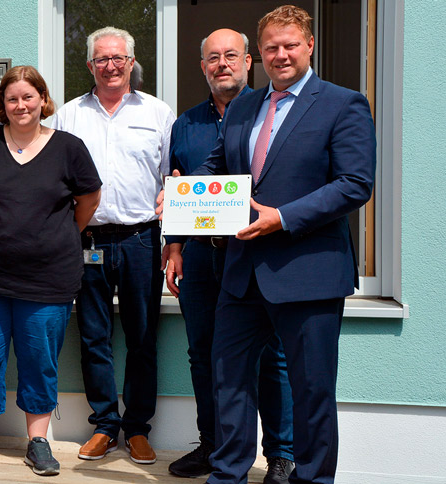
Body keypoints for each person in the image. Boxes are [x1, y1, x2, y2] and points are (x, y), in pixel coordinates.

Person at [173, 6, 375, 483]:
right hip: (241, 274)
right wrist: (182, 192)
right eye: (271, 48)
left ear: (309, 46)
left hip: (309, 273)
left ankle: (312, 478)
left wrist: (281, 218)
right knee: (229, 383)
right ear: (259, 55)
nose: (280, 55)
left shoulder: (343, 103)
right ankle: (227, 475)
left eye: (289, 45)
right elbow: (219, 167)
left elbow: (354, 184)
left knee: (311, 392)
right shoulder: (245, 105)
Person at [0, 66, 101, 477]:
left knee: (39, 361)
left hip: (47, 279)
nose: (20, 105)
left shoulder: (69, 147)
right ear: (3, 106)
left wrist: (63, 235)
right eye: (12, 99)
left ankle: (38, 443)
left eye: (28, 97)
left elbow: (88, 200)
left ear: (43, 100)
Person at [164, 29, 294, 483]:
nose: (222, 64)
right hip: (201, 256)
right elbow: (181, 182)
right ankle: (213, 445)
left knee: (271, 354)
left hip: (257, 255)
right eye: (213, 58)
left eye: (231, 56)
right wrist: (174, 244)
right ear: (202, 67)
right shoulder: (185, 124)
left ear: (248, 62)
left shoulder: (270, 112)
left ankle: (280, 453)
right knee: (204, 354)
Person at [53, 26, 176, 465]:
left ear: (131, 62)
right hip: (88, 240)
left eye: (117, 58)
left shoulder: (159, 113)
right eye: (101, 59)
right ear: (89, 65)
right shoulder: (68, 116)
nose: (110, 66)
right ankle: (105, 424)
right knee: (93, 336)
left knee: (143, 337)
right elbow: (58, 179)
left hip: (142, 238)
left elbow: (172, 180)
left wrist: (174, 243)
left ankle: (138, 428)